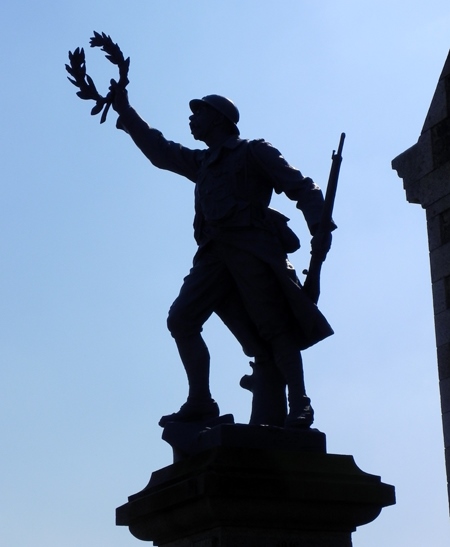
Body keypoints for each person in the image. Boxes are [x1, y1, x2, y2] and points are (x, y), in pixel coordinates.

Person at [111, 89, 334, 428]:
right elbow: (161, 151)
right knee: (181, 319)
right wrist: (125, 111)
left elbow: (301, 186)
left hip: (251, 249)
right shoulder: (202, 163)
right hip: (214, 256)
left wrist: (318, 224)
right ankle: (200, 400)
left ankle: (300, 403)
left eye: (197, 114)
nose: (191, 119)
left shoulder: (253, 151)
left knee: (274, 328)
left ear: (217, 119)